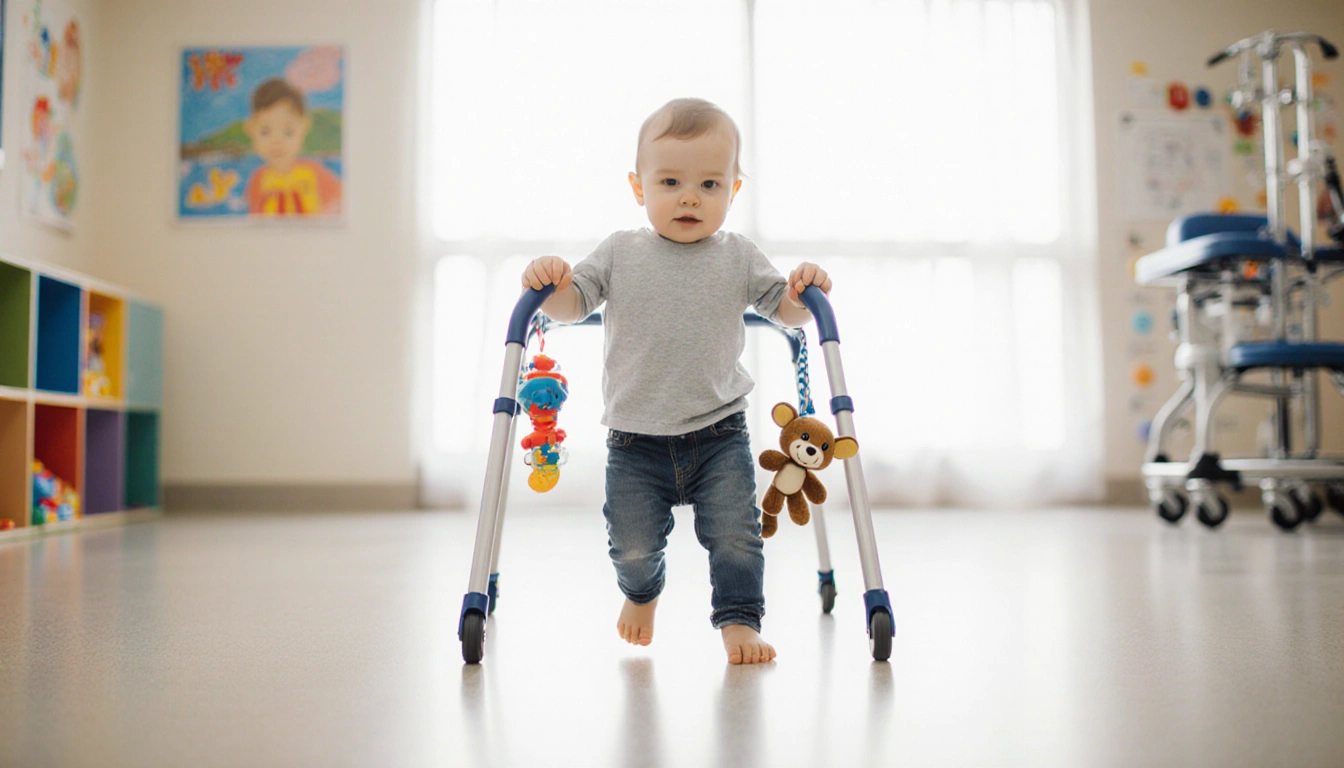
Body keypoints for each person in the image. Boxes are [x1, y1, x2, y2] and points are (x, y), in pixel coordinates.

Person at [520, 98, 833, 664]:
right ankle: (641, 594)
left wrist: (804, 293)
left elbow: (783, 311)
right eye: (671, 181)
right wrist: (551, 281)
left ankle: (739, 621)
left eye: (710, 184)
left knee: (737, 536)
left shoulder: (738, 255)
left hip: (719, 432)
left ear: (733, 192)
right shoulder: (620, 251)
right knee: (632, 544)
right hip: (635, 438)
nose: (690, 196)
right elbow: (571, 304)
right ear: (639, 188)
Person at [241, 78, 341, 217]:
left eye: (288, 132)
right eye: (265, 132)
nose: (276, 142)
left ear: (304, 126)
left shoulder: (315, 173)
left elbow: (341, 204)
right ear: (251, 129)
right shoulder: (257, 181)